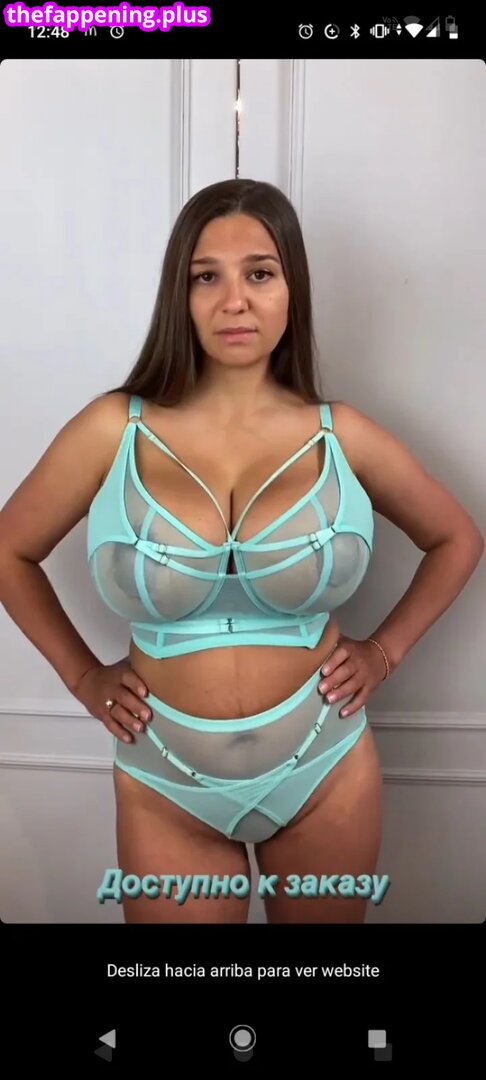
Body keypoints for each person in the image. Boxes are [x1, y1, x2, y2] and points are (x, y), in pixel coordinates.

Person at [0, 179, 483, 926]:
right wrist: (83, 676)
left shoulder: (341, 433)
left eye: (260, 273)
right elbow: (9, 550)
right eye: (207, 277)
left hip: (325, 770)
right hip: (166, 782)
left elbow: (457, 538)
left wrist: (383, 653)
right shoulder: (113, 429)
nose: (235, 301)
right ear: (181, 294)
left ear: (293, 289)